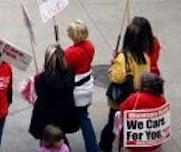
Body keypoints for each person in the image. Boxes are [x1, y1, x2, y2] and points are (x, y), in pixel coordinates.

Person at [103, 22, 154, 152]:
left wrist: (113, 67)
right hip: (136, 97)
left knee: (112, 124)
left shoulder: (123, 57)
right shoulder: (146, 57)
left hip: (120, 100)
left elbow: (117, 78)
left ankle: (105, 145)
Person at [29, 45, 80, 142]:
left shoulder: (43, 78)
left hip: (48, 116)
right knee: (61, 139)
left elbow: (40, 95)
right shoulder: (70, 72)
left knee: (47, 142)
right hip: (65, 113)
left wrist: (37, 80)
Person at [64, 21, 99, 152]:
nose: (67, 32)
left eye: (69, 31)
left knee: (60, 117)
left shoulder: (70, 52)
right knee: (84, 118)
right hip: (86, 86)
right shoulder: (90, 46)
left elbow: (62, 68)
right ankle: (93, 148)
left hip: (75, 90)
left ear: (74, 35)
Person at [115, 74, 167, 151]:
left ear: (145, 86)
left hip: (136, 144)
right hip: (155, 142)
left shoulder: (136, 98)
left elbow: (122, 109)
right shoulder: (162, 99)